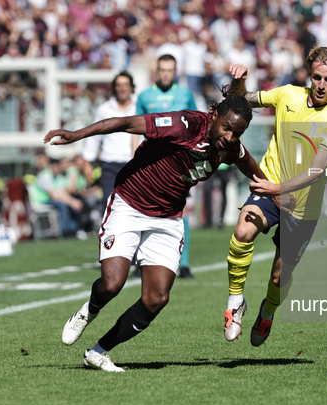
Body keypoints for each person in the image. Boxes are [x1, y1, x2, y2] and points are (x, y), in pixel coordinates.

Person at [44, 95, 261, 372]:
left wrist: (275, 196)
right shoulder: (184, 125)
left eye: (238, 132)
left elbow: (252, 168)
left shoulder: (229, 148)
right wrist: (78, 134)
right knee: (111, 285)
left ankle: (98, 352)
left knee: (156, 298)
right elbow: (126, 122)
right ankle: (89, 309)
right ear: (215, 115)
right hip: (129, 205)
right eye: (227, 128)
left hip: (167, 219)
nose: (231, 137)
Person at [223, 45, 327, 346]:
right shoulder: (287, 95)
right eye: (317, 77)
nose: (321, 85)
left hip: (303, 207)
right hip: (270, 189)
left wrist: (276, 189)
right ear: (310, 74)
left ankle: (267, 310)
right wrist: (241, 81)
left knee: (280, 277)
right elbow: (242, 101)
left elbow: (317, 170)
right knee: (242, 232)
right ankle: (235, 302)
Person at [135, 54, 197, 279]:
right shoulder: (144, 96)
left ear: (175, 71)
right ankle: (139, 261)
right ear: (156, 70)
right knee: (141, 208)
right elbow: (136, 126)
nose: (165, 74)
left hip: (179, 161)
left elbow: (197, 124)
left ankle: (185, 263)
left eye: (170, 70)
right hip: (151, 161)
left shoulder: (185, 95)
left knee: (181, 210)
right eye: (162, 69)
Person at [82, 71, 136, 210]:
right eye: (119, 85)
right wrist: (87, 161)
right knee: (110, 206)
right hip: (109, 164)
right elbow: (94, 136)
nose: (122, 88)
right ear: (114, 88)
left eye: (125, 84)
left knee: (132, 207)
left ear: (131, 87)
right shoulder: (104, 109)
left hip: (133, 165)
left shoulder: (139, 108)